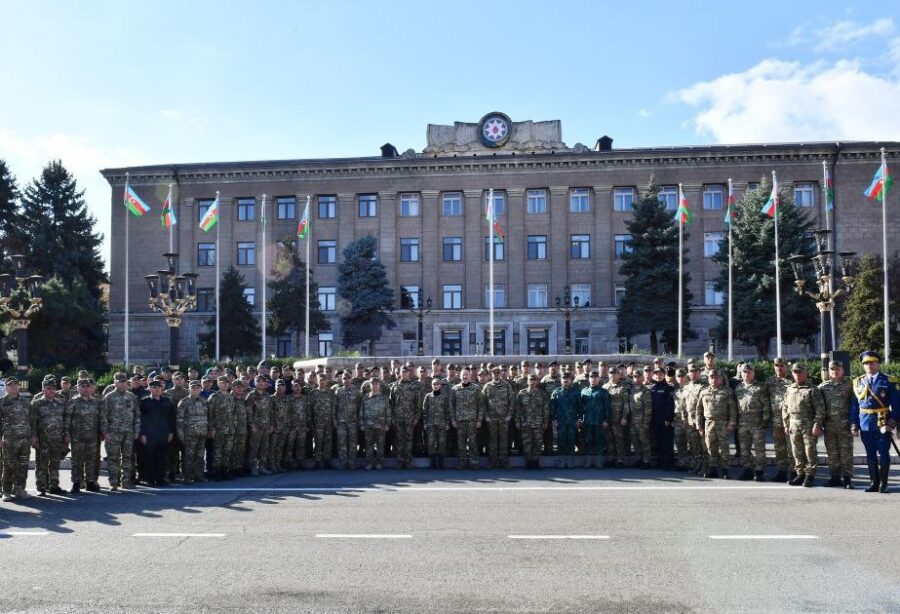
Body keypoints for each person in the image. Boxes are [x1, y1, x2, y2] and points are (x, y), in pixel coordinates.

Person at [850, 351, 900, 493]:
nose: (869, 366)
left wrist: (891, 424)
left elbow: (897, 405)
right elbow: (854, 406)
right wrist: (854, 425)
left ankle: (883, 484)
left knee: (884, 453)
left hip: (883, 422)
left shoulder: (889, 381)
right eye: (866, 363)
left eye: (872, 363)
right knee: (870, 454)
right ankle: (873, 483)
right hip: (865, 423)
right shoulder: (857, 382)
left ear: (878, 364)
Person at [781, 363, 826, 487]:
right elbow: (785, 407)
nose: (797, 374)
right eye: (795, 372)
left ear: (806, 373)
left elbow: (820, 409)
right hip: (793, 423)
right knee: (796, 450)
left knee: (810, 450)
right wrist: (786, 424)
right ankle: (800, 474)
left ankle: (809, 475)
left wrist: (817, 424)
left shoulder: (812, 389)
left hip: (808, 423)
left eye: (800, 372)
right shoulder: (789, 389)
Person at [100, 372, 140, 490]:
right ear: (115, 382)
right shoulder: (109, 397)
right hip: (113, 433)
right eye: (120, 381)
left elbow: (137, 415)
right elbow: (103, 417)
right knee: (113, 458)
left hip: (128, 432)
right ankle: (113, 482)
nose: (123, 384)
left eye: (124, 381)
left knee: (128, 457)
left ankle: (126, 481)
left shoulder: (132, 397)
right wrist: (105, 432)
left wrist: (136, 430)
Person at [818, 361, 854, 488]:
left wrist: (854, 424)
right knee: (832, 453)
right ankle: (834, 477)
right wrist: (818, 424)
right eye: (832, 369)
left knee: (846, 452)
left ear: (842, 370)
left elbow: (855, 405)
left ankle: (847, 479)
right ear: (829, 371)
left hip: (845, 425)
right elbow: (818, 407)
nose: (835, 371)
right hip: (829, 426)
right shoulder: (822, 387)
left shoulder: (850, 385)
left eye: (838, 369)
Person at [30, 378, 69, 496]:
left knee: (55, 464)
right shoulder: (36, 404)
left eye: (53, 388)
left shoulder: (61, 403)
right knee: (41, 464)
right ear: (43, 390)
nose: (51, 391)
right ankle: (41, 487)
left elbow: (65, 421)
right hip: (43, 440)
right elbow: (32, 422)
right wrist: (34, 436)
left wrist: (66, 436)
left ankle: (54, 486)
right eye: (48, 388)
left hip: (57, 439)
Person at [697, 369, 736, 479]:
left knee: (724, 448)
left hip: (723, 423)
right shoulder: (704, 392)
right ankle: (712, 469)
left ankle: (725, 470)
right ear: (709, 379)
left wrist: (731, 422)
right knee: (710, 447)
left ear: (721, 379)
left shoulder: (727, 391)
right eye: (712, 377)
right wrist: (699, 424)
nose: (714, 380)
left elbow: (733, 409)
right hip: (709, 423)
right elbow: (698, 409)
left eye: (717, 378)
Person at [733, 364, 769, 481]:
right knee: (744, 449)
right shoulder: (739, 388)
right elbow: (735, 407)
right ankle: (747, 470)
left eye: (749, 372)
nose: (746, 374)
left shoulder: (760, 388)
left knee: (759, 449)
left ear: (754, 373)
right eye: (744, 372)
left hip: (757, 423)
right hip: (742, 423)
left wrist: (764, 422)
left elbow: (766, 407)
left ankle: (759, 472)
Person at [68, 379, 103, 493]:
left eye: (88, 386)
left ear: (92, 388)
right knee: (77, 461)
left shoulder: (96, 402)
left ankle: (90, 482)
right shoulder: (73, 402)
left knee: (91, 460)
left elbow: (101, 419)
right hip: (77, 437)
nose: (86, 388)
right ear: (78, 388)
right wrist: (66, 435)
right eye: (83, 386)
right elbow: (67, 420)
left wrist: (103, 432)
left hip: (93, 437)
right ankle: (76, 483)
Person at [138, 380, 176, 486]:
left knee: (162, 457)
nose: (157, 389)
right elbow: (140, 419)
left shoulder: (167, 402)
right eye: (154, 387)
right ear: (149, 389)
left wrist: (171, 433)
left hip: (163, 434)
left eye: (159, 387)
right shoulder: (144, 402)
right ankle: (150, 479)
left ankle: (161, 478)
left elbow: (171, 419)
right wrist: (142, 434)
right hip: (149, 435)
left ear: (162, 389)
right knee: (149, 457)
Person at [1, 377, 32, 501]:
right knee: (8, 465)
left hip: (25, 439)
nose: (13, 386)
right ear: (6, 387)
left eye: (15, 384)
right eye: (10, 385)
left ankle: (20, 489)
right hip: (9, 440)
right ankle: (7, 491)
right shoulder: (2, 402)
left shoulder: (26, 402)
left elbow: (32, 420)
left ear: (19, 386)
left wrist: (34, 436)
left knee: (23, 465)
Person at [766, 357, 795, 482]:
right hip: (776, 420)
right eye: (776, 365)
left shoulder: (793, 380)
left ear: (786, 366)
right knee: (779, 448)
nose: (779, 368)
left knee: (792, 447)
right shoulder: (769, 381)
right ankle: (782, 471)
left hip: (791, 421)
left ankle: (795, 472)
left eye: (781, 365)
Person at [176, 380, 211, 483]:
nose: (195, 390)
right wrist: (180, 433)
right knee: (188, 456)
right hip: (189, 433)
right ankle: (187, 476)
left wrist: (208, 430)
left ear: (200, 389)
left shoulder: (204, 401)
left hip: (202, 433)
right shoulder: (184, 402)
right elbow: (179, 419)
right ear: (189, 389)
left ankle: (199, 476)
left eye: (198, 388)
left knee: (200, 456)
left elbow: (208, 417)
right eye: (193, 388)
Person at [482, 366, 515, 469]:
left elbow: (512, 401)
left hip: (504, 418)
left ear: (500, 374)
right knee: (492, 441)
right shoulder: (487, 386)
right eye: (494, 373)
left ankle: (504, 461)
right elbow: (483, 402)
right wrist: (486, 415)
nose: (496, 374)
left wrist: (509, 414)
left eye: (498, 372)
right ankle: (492, 461)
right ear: (492, 374)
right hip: (491, 419)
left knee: (504, 440)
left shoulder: (506, 385)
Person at [451, 367, 484, 470]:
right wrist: (453, 419)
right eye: (463, 374)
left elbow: (481, 405)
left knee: (473, 442)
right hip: (460, 421)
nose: (465, 376)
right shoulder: (455, 389)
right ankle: (462, 462)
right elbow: (451, 405)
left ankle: (474, 462)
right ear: (460, 376)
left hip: (472, 420)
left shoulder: (476, 388)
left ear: (470, 376)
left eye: (466, 374)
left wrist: (479, 420)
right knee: (461, 443)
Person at [514, 374, 549, 469]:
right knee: (527, 443)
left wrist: (546, 421)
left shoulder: (542, 394)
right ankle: (528, 461)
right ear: (527, 381)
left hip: (538, 423)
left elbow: (545, 409)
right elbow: (517, 409)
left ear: (537, 381)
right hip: (526, 423)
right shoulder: (521, 393)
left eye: (534, 380)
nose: (532, 382)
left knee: (538, 443)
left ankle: (535, 461)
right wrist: (517, 421)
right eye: (530, 380)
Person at [579, 371, 610, 468]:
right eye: (591, 377)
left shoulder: (603, 392)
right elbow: (580, 407)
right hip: (587, 421)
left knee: (599, 441)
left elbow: (607, 407)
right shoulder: (584, 391)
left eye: (595, 377)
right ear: (589, 379)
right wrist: (580, 418)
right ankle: (588, 461)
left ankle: (598, 461)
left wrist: (606, 420)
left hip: (599, 421)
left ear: (599, 379)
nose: (593, 379)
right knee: (587, 441)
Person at [550, 373, 581, 468]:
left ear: (571, 380)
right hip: (561, 421)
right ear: (561, 380)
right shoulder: (556, 392)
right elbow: (552, 408)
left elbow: (580, 407)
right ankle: (561, 461)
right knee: (561, 440)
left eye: (567, 378)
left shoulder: (576, 393)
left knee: (571, 440)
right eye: (563, 378)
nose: (565, 380)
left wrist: (579, 419)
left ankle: (570, 461)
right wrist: (553, 419)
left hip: (572, 421)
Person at [603, 367, 631, 468]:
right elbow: (602, 405)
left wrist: (624, 418)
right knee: (609, 440)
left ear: (619, 375)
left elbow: (626, 404)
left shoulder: (623, 388)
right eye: (611, 373)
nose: (613, 375)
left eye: (615, 373)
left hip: (618, 419)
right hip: (607, 419)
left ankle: (620, 460)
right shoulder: (604, 387)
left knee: (619, 440)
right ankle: (610, 458)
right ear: (608, 374)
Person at [360, 378, 390, 469]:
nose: (374, 385)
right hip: (368, 425)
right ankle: (369, 463)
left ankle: (379, 463)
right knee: (369, 445)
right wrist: (361, 423)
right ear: (370, 386)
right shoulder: (365, 397)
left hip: (380, 425)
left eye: (376, 384)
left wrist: (387, 424)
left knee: (380, 445)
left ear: (379, 386)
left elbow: (388, 411)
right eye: (373, 384)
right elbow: (361, 411)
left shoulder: (384, 398)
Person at [649, 368, 675, 470]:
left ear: (664, 375)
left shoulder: (667, 388)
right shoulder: (652, 387)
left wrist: (668, 418)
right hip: (655, 419)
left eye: (660, 374)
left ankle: (669, 463)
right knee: (658, 441)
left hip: (665, 420)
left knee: (667, 442)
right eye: (656, 374)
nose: (658, 376)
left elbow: (670, 405)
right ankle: (660, 461)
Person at [422, 378, 451, 468]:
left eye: (437, 384)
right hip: (430, 423)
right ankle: (433, 462)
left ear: (440, 385)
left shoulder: (445, 397)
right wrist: (425, 423)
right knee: (431, 442)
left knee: (442, 442)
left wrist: (447, 422)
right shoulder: (428, 396)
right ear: (432, 385)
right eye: (434, 384)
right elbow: (424, 411)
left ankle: (441, 462)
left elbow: (448, 410)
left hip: (442, 423)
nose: (436, 385)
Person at [334, 373, 361, 470]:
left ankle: (352, 462)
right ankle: (343, 462)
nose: (346, 380)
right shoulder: (338, 391)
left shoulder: (357, 391)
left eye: (348, 378)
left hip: (353, 421)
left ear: (351, 379)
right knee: (342, 443)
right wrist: (334, 420)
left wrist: (360, 419)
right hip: (341, 421)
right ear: (342, 380)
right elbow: (335, 407)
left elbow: (360, 406)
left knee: (353, 443)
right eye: (344, 378)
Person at [630, 370, 652, 469]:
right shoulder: (632, 390)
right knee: (635, 441)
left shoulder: (646, 391)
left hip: (642, 421)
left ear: (642, 378)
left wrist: (646, 422)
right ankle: (639, 459)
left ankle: (647, 461)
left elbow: (648, 408)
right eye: (635, 377)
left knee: (644, 442)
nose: (637, 378)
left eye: (639, 376)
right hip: (632, 421)